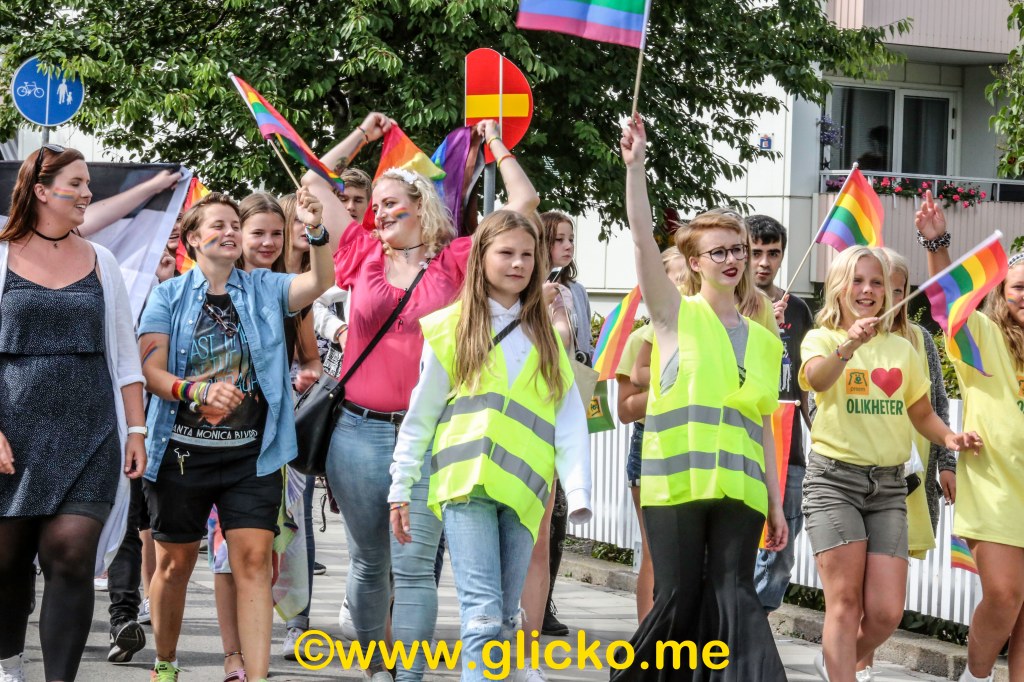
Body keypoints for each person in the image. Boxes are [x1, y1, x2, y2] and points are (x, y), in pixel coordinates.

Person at [303, 113, 538, 682]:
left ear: (421, 205)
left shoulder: (456, 259)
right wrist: (363, 135)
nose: (379, 212)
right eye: (374, 205)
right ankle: (376, 667)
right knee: (368, 563)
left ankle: (408, 677)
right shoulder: (358, 249)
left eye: (390, 203)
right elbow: (313, 180)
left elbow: (524, 203)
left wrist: (494, 143)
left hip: (433, 434)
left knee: (413, 567)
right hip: (356, 433)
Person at [615, 115, 789, 680]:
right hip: (676, 488)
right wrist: (636, 169)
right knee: (678, 597)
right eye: (718, 252)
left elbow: (762, 427)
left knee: (736, 595)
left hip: (741, 493)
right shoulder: (673, 317)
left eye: (738, 249)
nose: (733, 259)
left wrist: (776, 502)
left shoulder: (765, 341)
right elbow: (642, 240)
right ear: (694, 262)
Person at [137, 188, 333, 682]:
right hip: (181, 455)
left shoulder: (265, 286)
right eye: (218, 225)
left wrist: (315, 229)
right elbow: (151, 373)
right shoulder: (167, 296)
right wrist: (195, 390)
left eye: (233, 225)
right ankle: (166, 662)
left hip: (253, 456)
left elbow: (320, 281)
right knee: (174, 567)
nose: (229, 232)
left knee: (253, 562)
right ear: (192, 239)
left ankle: (256, 676)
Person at [388, 209, 592, 682]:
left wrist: (578, 490)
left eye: (527, 255)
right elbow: (421, 415)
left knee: (503, 619)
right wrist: (401, 486)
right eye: (506, 253)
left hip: (523, 491)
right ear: (481, 256)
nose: (518, 263)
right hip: (466, 486)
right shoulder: (450, 327)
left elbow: (568, 418)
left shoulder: (546, 336)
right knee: (481, 614)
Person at [798, 244, 981, 682]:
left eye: (877, 282)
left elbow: (922, 412)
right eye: (858, 281)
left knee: (885, 613)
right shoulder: (821, 338)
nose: (868, 290)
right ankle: (841, 668)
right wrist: (848, 345)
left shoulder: (902, 348)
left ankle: (835, 659)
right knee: (845, 603)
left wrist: (949, 438)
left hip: (889, 488)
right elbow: (817, 379)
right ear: (838, 287)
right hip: (834, 483)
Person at [0, 145, 147, 682]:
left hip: (90, 430)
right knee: (7, 564)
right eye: (78, 183)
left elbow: (126, 355)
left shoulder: (101, 260)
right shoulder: (1, 254)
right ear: (41, 191)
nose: (88, 193)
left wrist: (136, 429)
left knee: (71, 553)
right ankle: (8, 664)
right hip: (12, 431)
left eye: (88, 183)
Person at [916, 190, 1024, 682]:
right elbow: (951, 302)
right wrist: (937, 243)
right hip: (995, 489)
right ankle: (976, 676)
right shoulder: (984, 336)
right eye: (1019, 287)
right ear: (1003, 292)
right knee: (1004, 594)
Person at [846, 247, 955, 681]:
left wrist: (947, 462)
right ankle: (856, 666)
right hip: (857, 473)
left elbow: (938, 406)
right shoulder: (844, 335)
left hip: (910, 477)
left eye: (896, 289)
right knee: (856, 577)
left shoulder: (919, 340)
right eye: (877, 286)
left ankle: (853, 656)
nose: (886, 297)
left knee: (887, 585)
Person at [746, 215, 815, 613]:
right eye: (756, 252)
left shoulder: (799, 309)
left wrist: (818, 428)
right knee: (737, 547)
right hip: (741, 443)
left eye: (773, 253)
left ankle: (755, 623)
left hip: (789, 449)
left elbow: (806, 381)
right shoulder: (727, 307)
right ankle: (734, 628)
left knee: (780, 553)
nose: (764, 263)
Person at [615, 247, 686, 624]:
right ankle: (647, 636)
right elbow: (625, 410)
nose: (684, 287)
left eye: (692, 279)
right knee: (655, 550)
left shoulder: (711, 333)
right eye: (676, 279)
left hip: (699, 447)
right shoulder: (641, 339)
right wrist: (668, 390)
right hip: (651, 443)